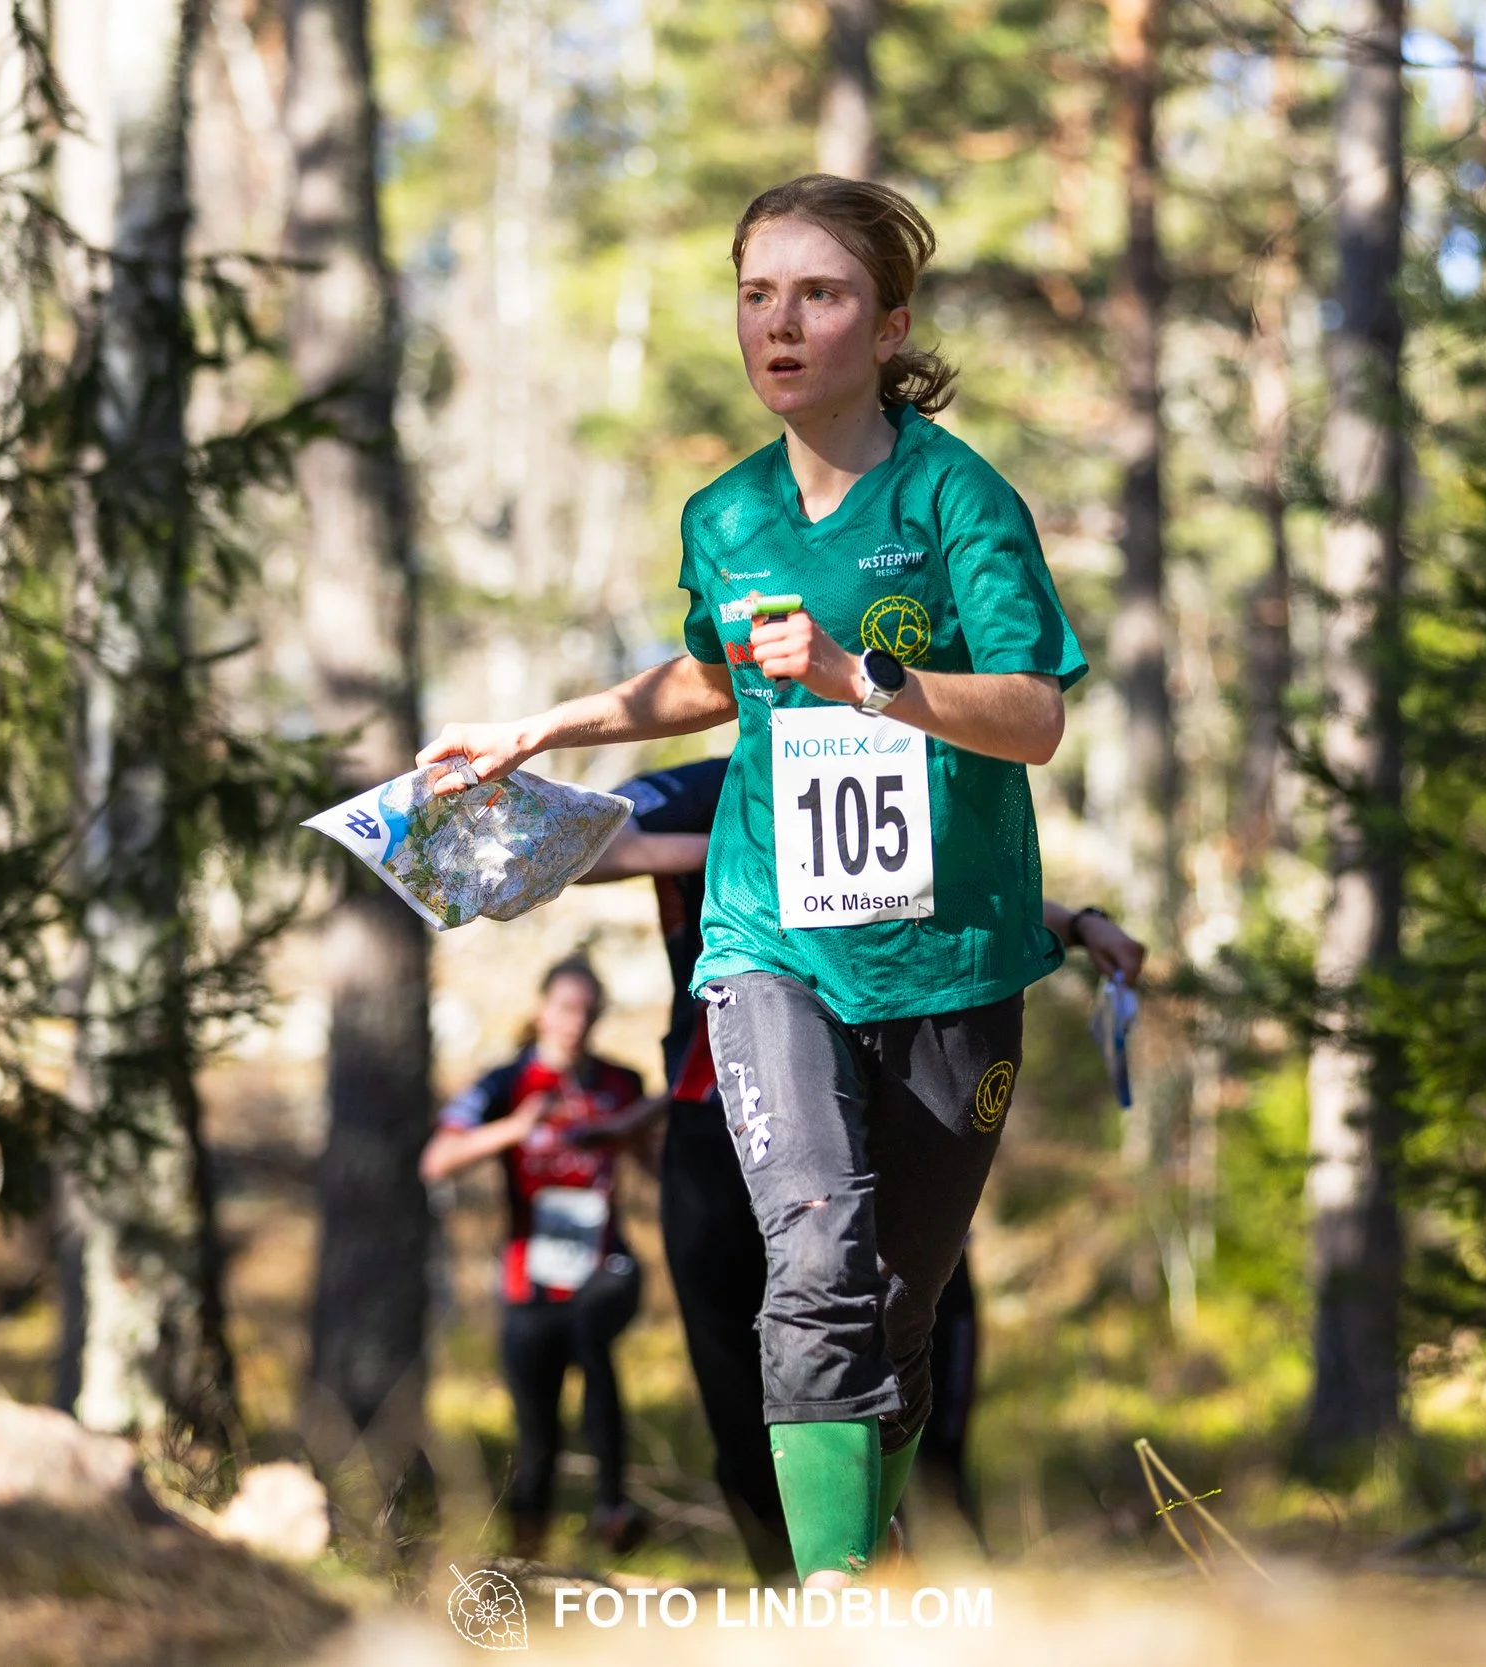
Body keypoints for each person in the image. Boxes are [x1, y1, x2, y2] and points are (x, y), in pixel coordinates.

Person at [420, 174, 1088, 1587]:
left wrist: (866, 678)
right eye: (756, 294)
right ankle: (820, 1597)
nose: (779, 324)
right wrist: (539, 728)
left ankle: (870, 1559)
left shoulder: (958, 497)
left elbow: (1034, 714)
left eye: (819, 294)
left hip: (951, 954)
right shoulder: (726, 515)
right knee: (817, 1250)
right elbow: (708, 677)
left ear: (888, 325)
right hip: (767, 936)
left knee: (896, 1303)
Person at [586, 780, 1145, 1576]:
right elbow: (590, 850)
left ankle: (919, 1563)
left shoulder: (891, 752)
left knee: (908, 1323)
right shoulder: (715, 776)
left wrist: (1080, 923)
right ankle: (799, 1588)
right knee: (741, 1391)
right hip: (718, 1121)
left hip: (882, 1106)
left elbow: (957, 877)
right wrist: (755, 851)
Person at [419, 958, 655, 1558]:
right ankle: (525, 1566)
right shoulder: (505, 1083)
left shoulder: (620, 1083)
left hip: (606, 1267)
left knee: (590, 1330)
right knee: (536, 1439)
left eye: (589, 1011)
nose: (577, 1022)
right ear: (541, 1010)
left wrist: (637, 1127)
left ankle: (613, 1507)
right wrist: (515, 1128)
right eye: (567, 1008)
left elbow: (656, 1165)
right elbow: (437, 1160)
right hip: (531, 1281)